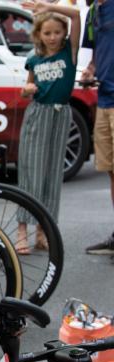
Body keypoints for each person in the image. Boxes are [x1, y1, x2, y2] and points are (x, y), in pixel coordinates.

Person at [15, 0, 80, 255]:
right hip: (38, 113)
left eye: (57, 32)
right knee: (31, 173)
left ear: (63, 33)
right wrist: (26, 90)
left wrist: (47, 7)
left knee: (52, 174)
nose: (53, 37)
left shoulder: (69, 52)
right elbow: (25, 90)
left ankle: (44, 230)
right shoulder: (34, 58)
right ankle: (22, 230)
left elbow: (75, 16)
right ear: (39, 34)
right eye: (47, 33)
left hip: (61, 114)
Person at [82, 0, 114, 254]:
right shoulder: (93, 12)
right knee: (111, 171)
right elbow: (95, 56)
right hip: (104, 99)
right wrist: (89, 72)